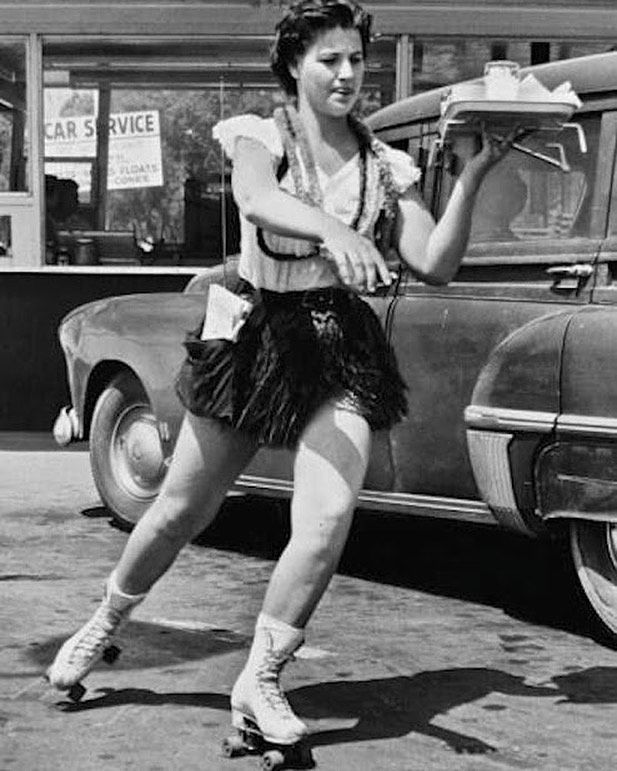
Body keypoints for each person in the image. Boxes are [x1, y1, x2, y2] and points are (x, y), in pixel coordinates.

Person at [46, 0, 518, 750]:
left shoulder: (384, 164)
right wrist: (334, 229)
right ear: (294, 65)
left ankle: (260, 678)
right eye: (329, 59)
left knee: (328, 517)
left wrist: (472, 177)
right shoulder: (261, 138)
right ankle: (103, 622)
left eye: (356, 59)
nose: (347, 74)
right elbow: (257, 200)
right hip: (259, 336)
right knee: (178, 511)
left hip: (340, 345)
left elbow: (434, 263)